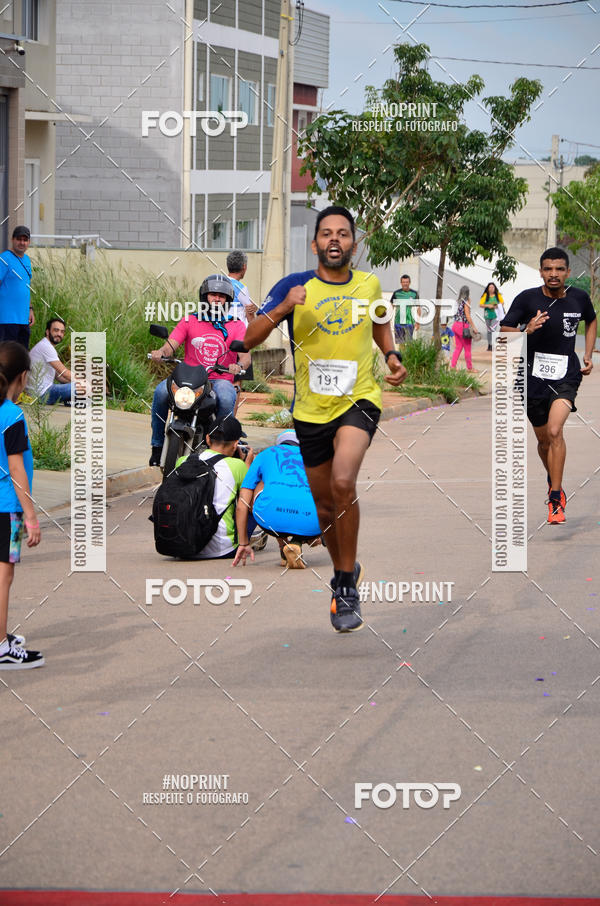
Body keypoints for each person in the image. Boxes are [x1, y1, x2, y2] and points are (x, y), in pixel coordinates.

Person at [240, 205, 407, 632]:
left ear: (354, 243)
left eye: (343, 233)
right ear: (314, 243)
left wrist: (390, 355)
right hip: (310, 410)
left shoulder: (369, 285)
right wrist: (281, 310)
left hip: (359, 399)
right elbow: (247, 339)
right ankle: (342, 574)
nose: (335, 239)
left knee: (342, 482)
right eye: (326, 233)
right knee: (325, 506)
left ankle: (347, 587)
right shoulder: (294, 286)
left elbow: (380, 324)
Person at [500, 247, 596, 525]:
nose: (553, 274)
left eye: (559, 269)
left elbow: (591, 320)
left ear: (567, 272)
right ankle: (554, 479)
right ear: (541, 271)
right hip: (532, 379)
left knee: (555, 430)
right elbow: (505, 331)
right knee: (544, 441)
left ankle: (556, 499)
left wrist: (587, 354)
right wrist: (525, 330)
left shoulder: (579, 298)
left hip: (566, 375)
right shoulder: (527, 299)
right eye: (548, 269)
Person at [149, 274, 250, 466]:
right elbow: (171, 345)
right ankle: (157, 446)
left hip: (219, 380)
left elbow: (245, 355)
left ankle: (220, 449)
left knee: (228, 396)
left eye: (221, 296)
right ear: (205, 297)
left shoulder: (235, 324)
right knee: (161, 392)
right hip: (187, 378)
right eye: (213, 294)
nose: (217, 299)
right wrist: (161, 353)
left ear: (228, 300)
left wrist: (240, 365)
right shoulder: (190, 320)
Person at [0, 342, 43, 669]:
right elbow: (16, 469)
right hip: (7, 508)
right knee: (4, 575)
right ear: (23, 377)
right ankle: (2, 646)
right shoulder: (12, 415)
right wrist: (30, 515)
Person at [233, 429, 321, 570]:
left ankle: (284, 546)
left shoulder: (265, 455)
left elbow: (242, 505)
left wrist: (243, 543)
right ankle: (303, 539)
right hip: (315, 522)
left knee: (264, 486)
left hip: (270, 519)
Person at [175, 416, 255, 559]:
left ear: (207, 438)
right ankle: (243, 542)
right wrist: (247, 464)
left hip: (181, 544)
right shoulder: (238, 466)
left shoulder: (183, 461)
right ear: (236, 444)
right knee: (251, 497)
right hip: (222, 549)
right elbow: (247, 503)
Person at [27, 317, 82, 404]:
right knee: (80, 386)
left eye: (62, 332)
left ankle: (71, 400)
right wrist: (84, 382)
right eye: (56, 330)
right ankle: (74, 399)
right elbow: (65, 373)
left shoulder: (46, 345)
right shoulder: (46, 347)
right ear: (47, 332)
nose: (59, 334)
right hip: (42, 395)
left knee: (75, 385)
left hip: (37, 393)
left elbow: (59, 376)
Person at [0, 226, 35, 349]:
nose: (22, 243)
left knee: (22, 355)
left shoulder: (27, 260)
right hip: (6, 319)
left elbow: (26, 286)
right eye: (19, 239)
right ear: (12, 240)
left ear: (29, 242)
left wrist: (30, 309)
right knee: (7, 356)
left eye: (25, 240)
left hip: (23, 318)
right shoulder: (4, 258)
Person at [450, 285, 480, 371]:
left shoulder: (457, 301)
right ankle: (470, 368)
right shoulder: (466, 301)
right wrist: (474, 327)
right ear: (468, 293)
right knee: (467, 348)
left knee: (458, 347)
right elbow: (467, 315)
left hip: (455, 325)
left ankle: (452, 366)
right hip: (463, 327)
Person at [227, 250, 258, 326]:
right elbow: (250, 318)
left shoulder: (221, 282)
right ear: (244, 267)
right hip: (238, 332)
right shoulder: (241, 288)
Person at [391, 274, 418, 344]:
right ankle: (402, 355)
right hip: (398, 322)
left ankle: (408, 355)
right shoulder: (396, 293)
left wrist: (418, 322)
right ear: (401, 283)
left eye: (407, 282)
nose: (405, 284)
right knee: (400, 343)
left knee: (409, 343)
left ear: (409, 283)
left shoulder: (414, 293)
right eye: (403, 282)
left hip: (409, 322)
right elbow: (391, 306)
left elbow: (418, 308)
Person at [479, 282, 505, 351]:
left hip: (496, 316)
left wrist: (497, 305)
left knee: (493, 329)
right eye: (490, 287)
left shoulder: (497, 295)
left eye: (492, 287)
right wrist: (488, 305)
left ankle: (493, 344)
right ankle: (489, 345)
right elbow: (481, 304)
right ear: (487, 288)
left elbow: (502, 303)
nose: (491, 289)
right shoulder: (485, 295)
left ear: (495, 288)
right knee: (489, 331)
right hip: (487, 315)